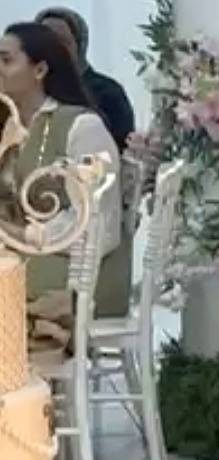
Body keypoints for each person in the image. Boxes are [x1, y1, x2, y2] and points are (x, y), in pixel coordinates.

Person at [0, 23, 126, 315]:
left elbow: (98, 223)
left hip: (70, 272)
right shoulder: (8, 124)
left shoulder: (81, 126)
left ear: (40, 70)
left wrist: (20, 234)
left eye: (6, 60)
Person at [37, 5, 136, 150]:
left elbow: (123, 149)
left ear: (79, 46)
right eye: (45, 41)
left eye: (62, 41)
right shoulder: (25, 92)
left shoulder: (108, 92)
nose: (52, 48)